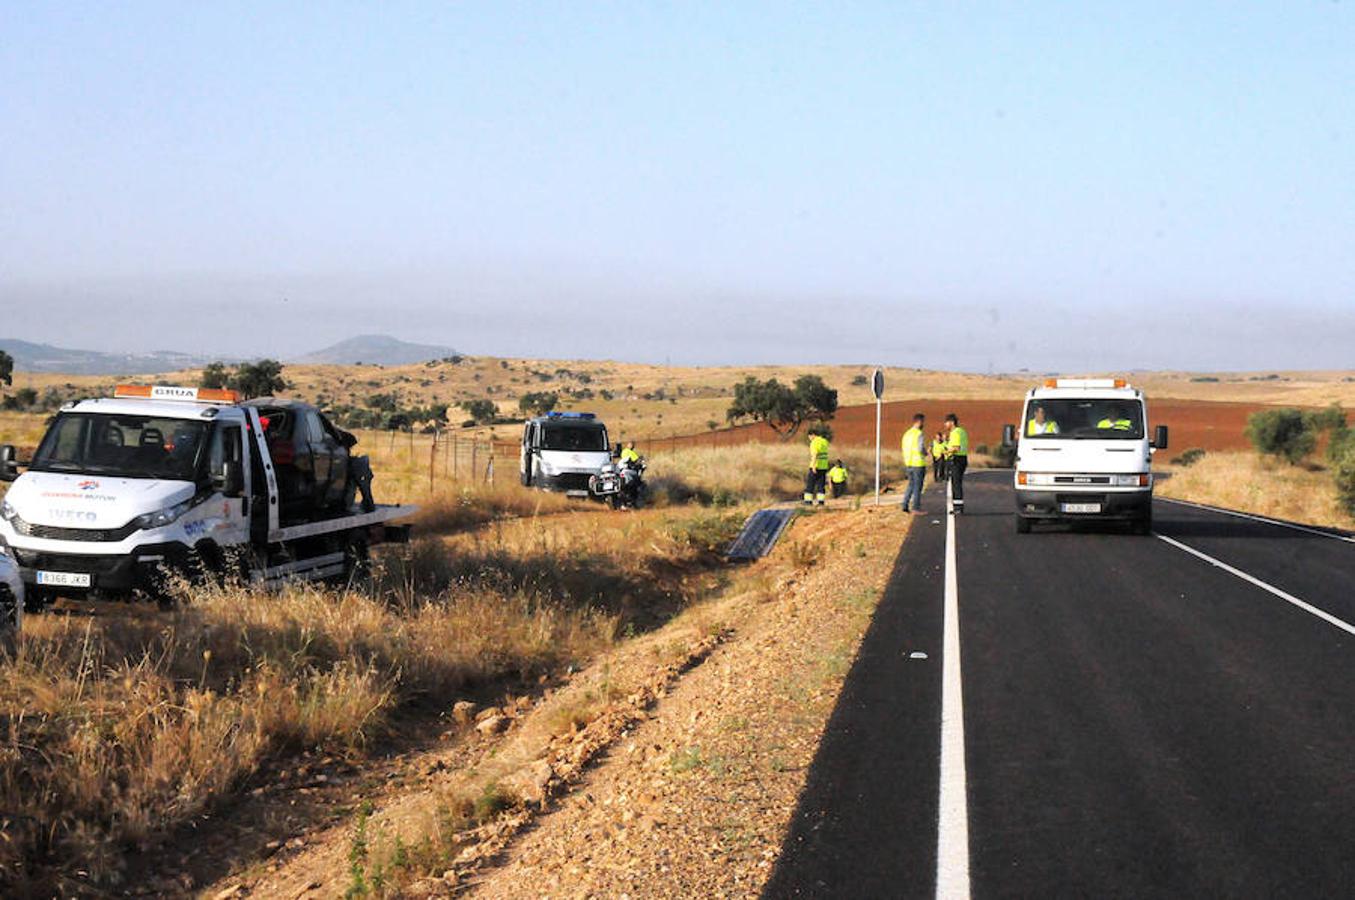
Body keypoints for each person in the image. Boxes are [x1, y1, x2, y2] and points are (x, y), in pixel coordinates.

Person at [900, 413, 928, 513]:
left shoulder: (907, 434)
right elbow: (920, 448)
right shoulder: (918, 434)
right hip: (918, 463)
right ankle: (916, 507)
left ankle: (905, 505)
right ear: (919, 421)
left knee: (911, 485)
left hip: (908, 462)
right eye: (923, 422)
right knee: (918, 486)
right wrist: (926, 453)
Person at [944, 413, 969, 514]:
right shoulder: (962, 431)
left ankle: (958, 507)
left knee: (956, 484)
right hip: (962, 458)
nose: (945, 425)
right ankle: (958, 506)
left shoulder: (955, 432)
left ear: (951, 422)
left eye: (946, 422)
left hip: (956, 459)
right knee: (956, 483)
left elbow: (956, 447)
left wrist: (947, 452)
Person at [804, 428, 830, 506]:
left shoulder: (814, 442)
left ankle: (808, 502)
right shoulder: (824, 441)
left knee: (810, 484)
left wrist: (814, 466)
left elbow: (815, 454)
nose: (809, 439)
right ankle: (821, 502)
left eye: (809, 437)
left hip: (816, 466)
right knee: (821, 485)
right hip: (824, 466)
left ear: (812, 435)